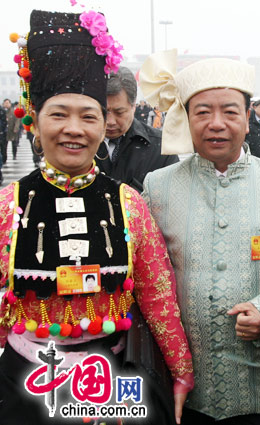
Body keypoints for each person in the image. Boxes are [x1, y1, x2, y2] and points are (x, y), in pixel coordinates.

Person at [1, 10, 194, 425]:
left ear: (103, 124)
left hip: (111, 384)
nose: (74, 128)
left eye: (89, 116)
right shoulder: (7, 205)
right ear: (35, 121)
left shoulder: (129, 203)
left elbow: (158, 297)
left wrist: (181, 371)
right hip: (25, 384)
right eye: (59, 114)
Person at [139, 49, 260, 424]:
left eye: (230, 111)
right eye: (202, 112)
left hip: (259, 388)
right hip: (181, 389)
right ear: (186, 120)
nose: (216, 123)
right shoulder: (156, 188)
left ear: (248, 119)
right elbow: (144, 274)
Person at [95, 66, 178, 192]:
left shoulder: (161, 147)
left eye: (119, 112)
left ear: (133, 106)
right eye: (103, 112)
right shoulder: (79, 142)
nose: (110, 122)